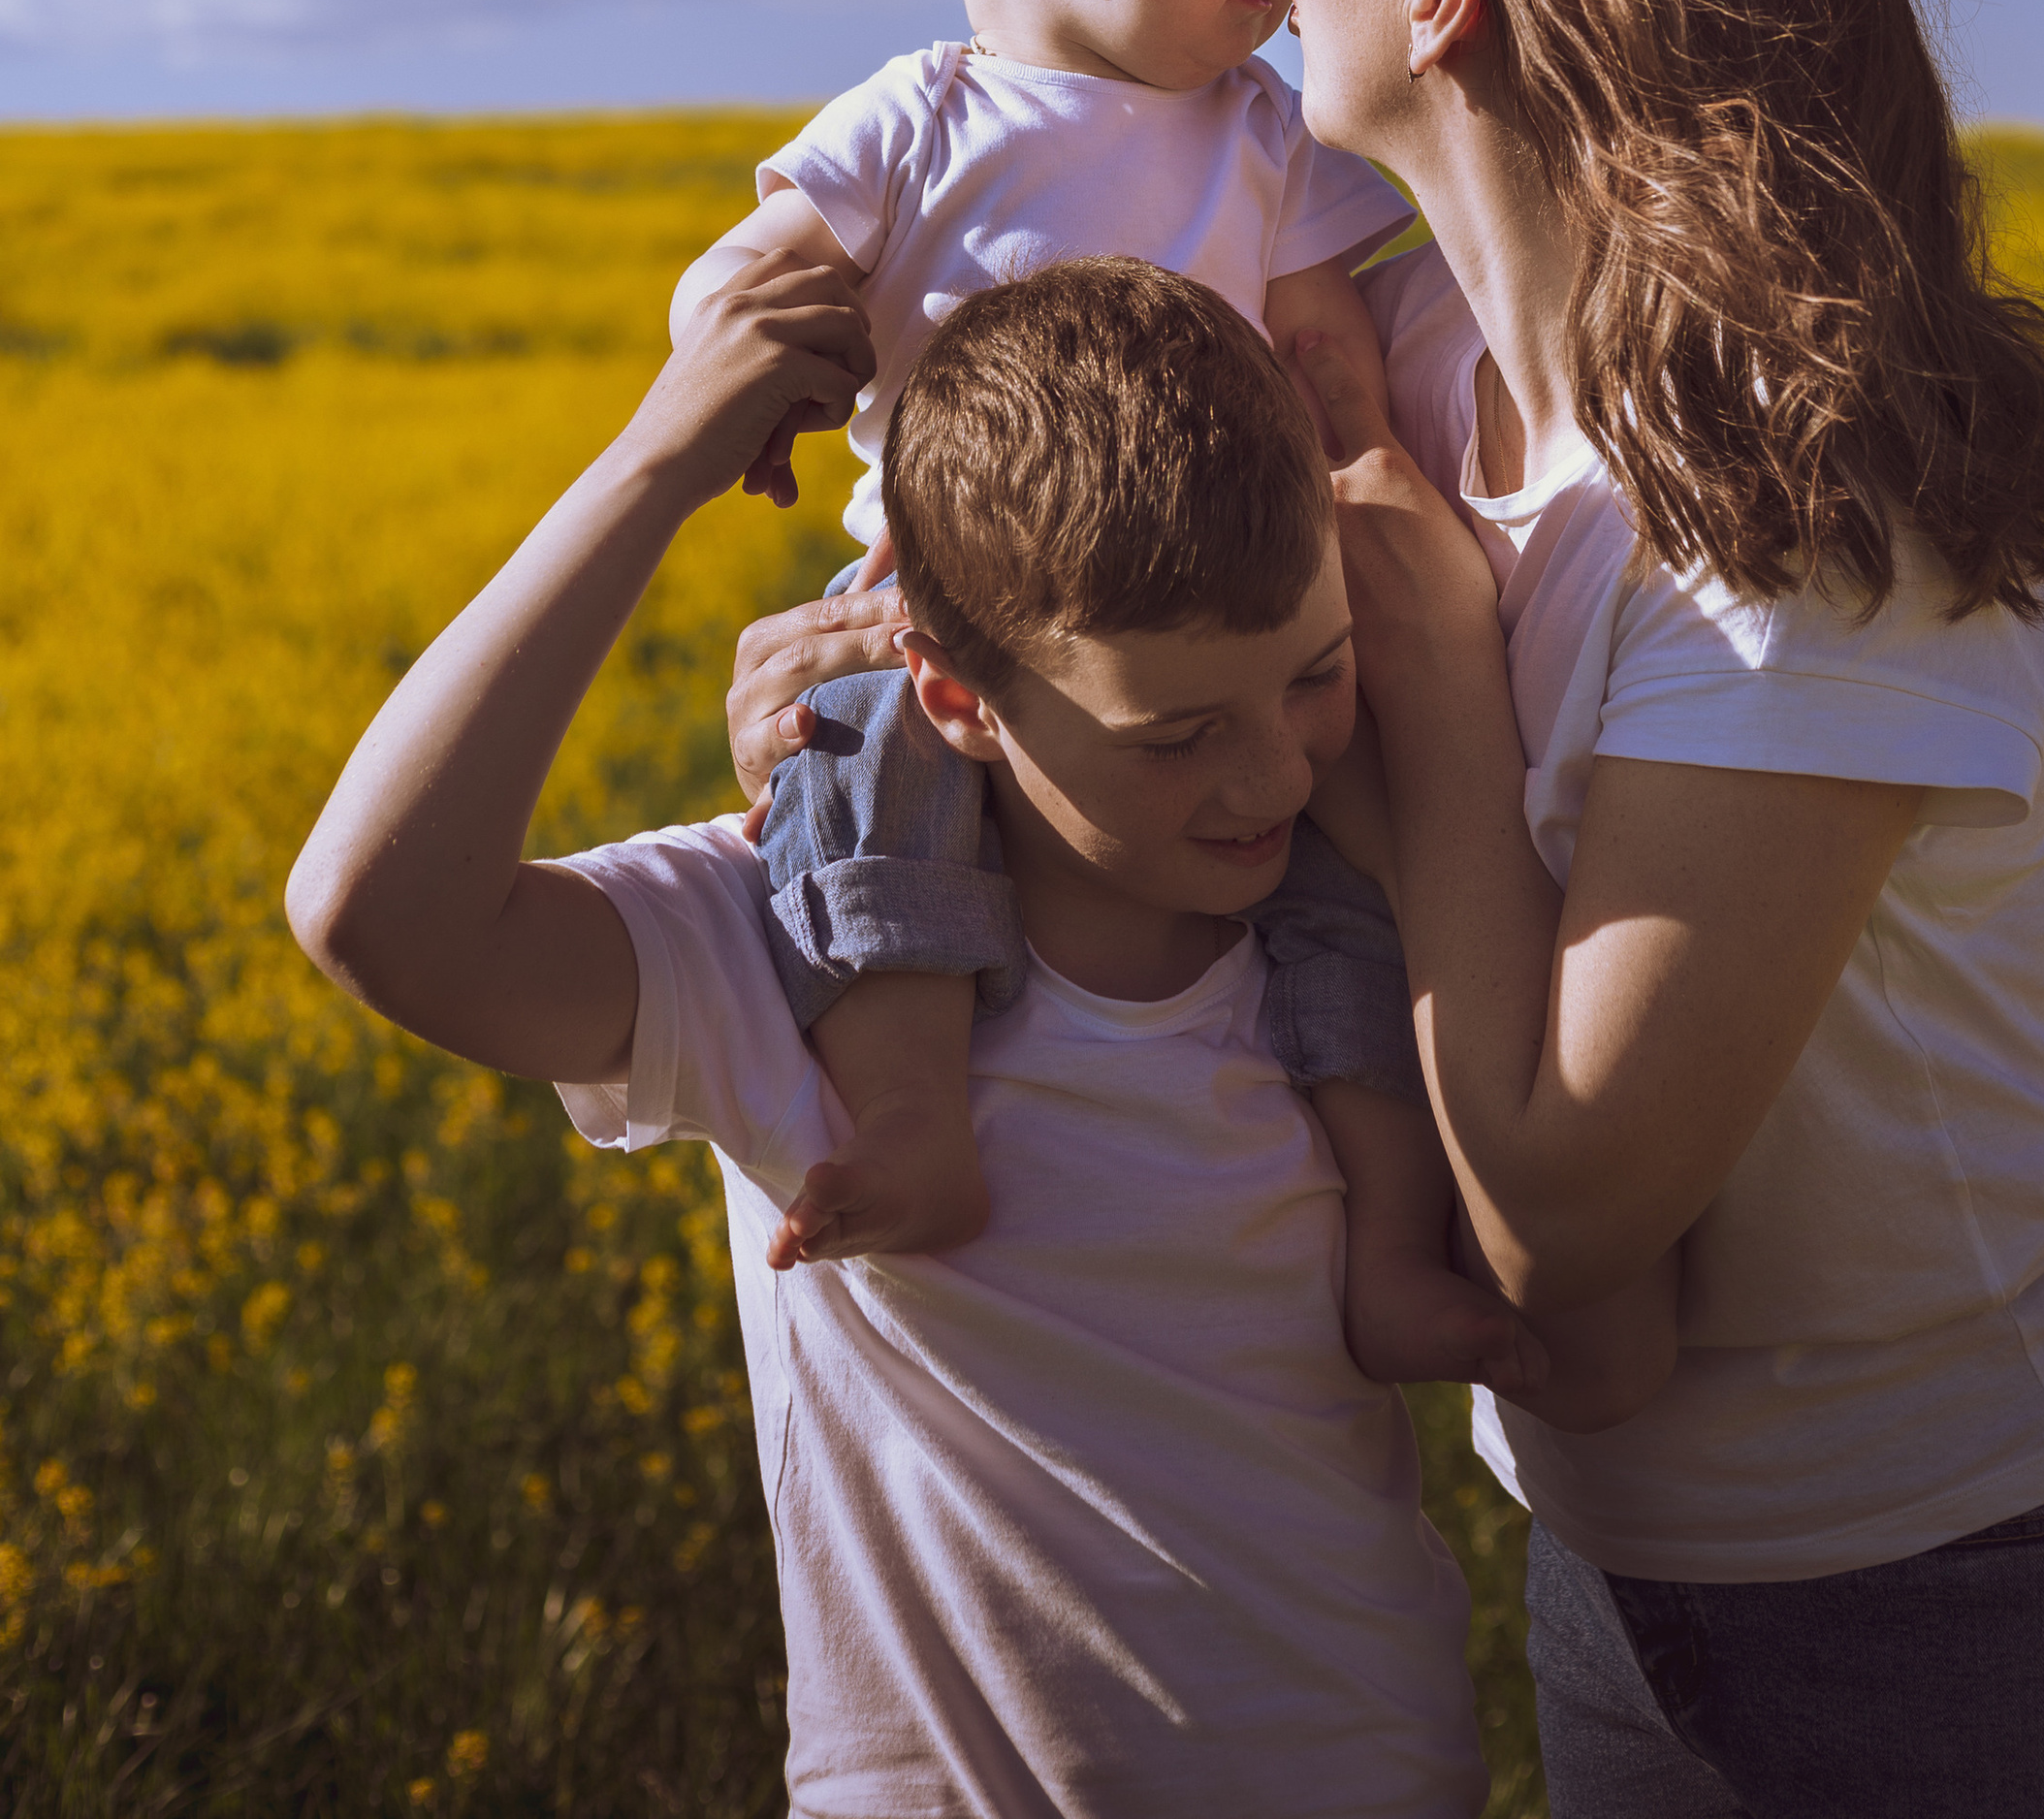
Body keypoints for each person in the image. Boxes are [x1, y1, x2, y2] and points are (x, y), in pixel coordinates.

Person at [1273, 0, 2044, 1819]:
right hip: (1618, 1541)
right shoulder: (1418, 379)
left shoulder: (1797, 520)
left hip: (1980, 1574)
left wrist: (1433, 710)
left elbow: (1564, 1207)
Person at [285, 252, 1489, 1819]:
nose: (1271, 777)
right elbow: (379, 918)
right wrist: (662, 460)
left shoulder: (1370, 936)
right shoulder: (789, 947)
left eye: (1314, 677)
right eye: (1177, 735)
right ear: (951, 688)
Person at [666, 0, 1596, 1405]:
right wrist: (765, 399)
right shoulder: (920, 120)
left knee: (1343, 897)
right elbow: (748, 289)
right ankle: (918, 1119)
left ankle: (1392, 1250)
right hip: (955, 618)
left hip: (1230, 626)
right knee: (862, 781)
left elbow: (1331, 359)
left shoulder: (1267, 132)